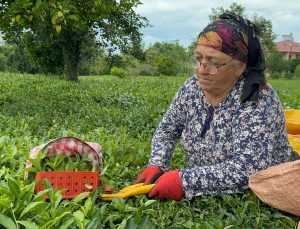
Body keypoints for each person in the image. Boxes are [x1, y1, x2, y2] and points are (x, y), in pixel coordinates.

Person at [134, 13, 293, 201]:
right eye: (198, 59)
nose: (201, 69)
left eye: (214, 63)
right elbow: (167, 130)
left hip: (265, 188)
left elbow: (250, 167)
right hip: (206, 184)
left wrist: (185, 181)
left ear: (240, 67)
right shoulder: (191, 88)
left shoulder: (255, 98)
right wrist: (157, 163)